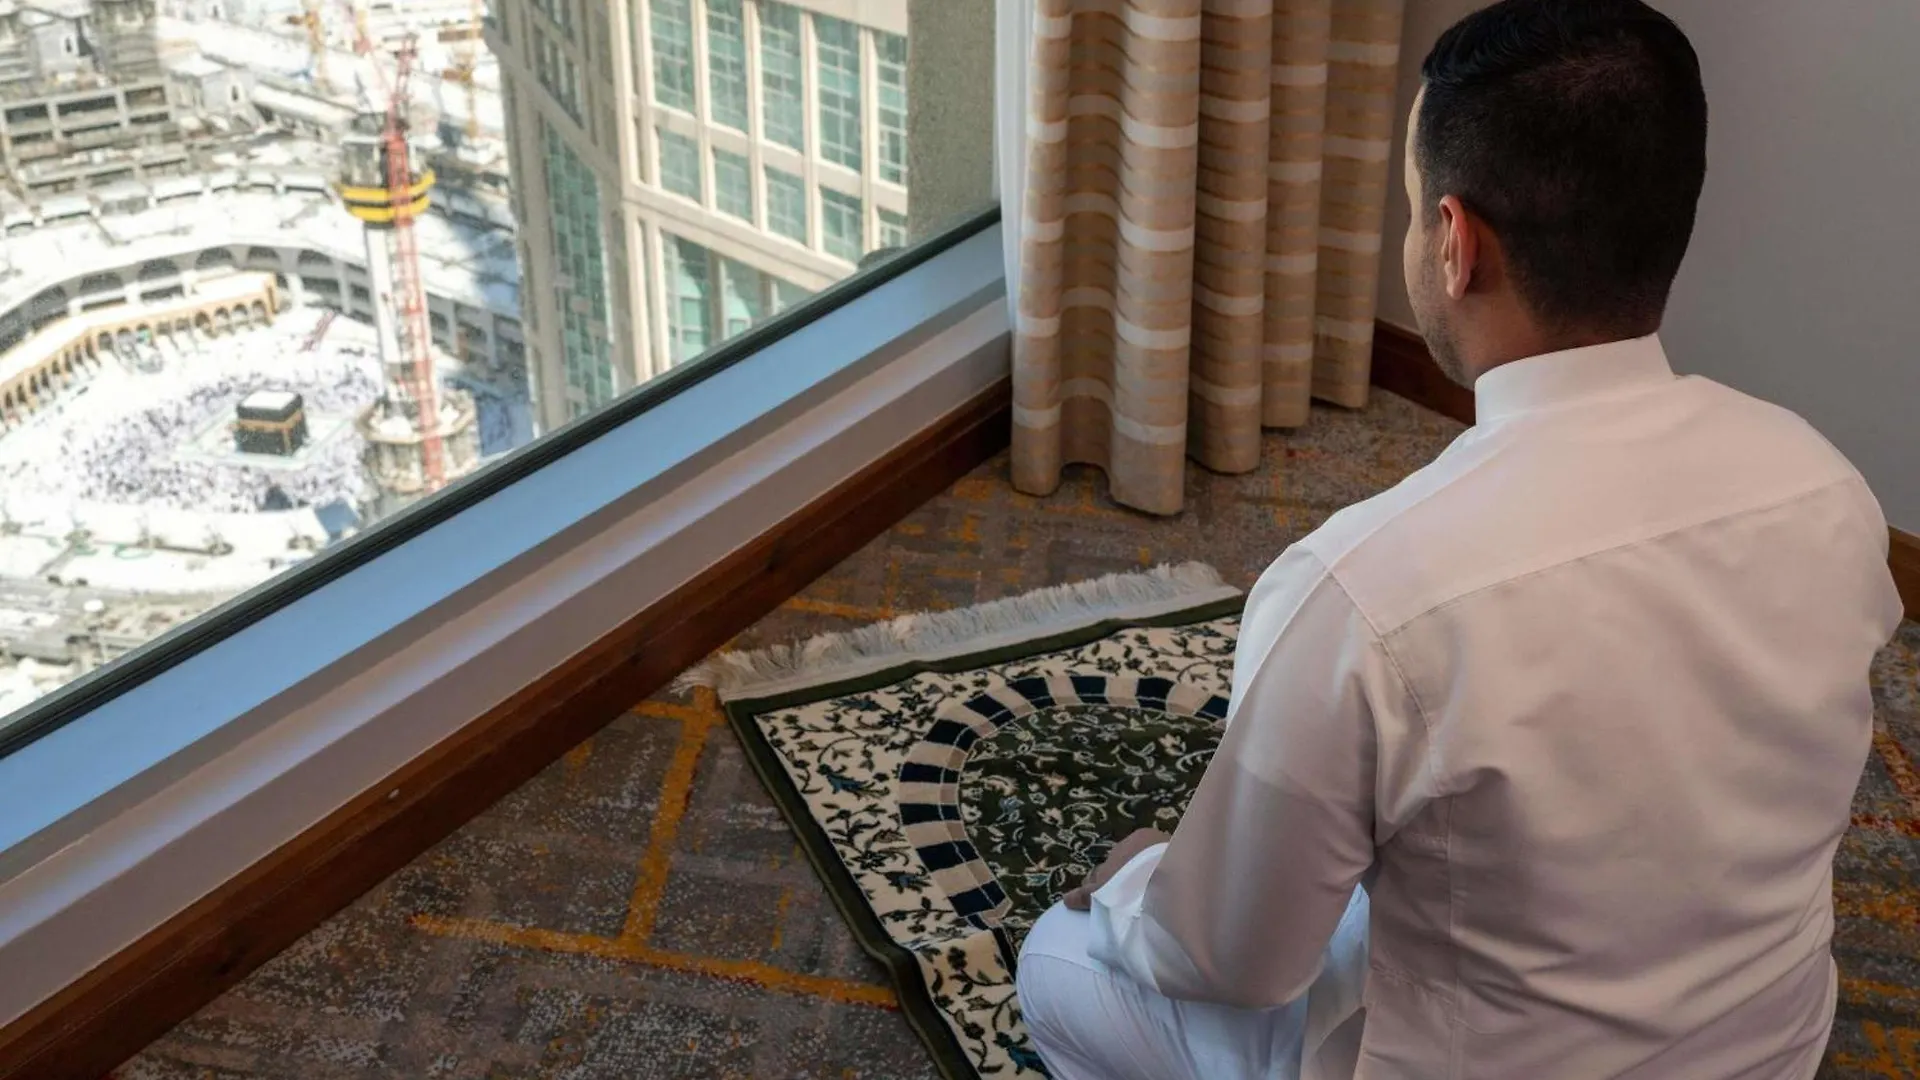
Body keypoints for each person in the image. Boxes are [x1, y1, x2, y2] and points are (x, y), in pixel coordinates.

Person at [1014, 1, 1906, 1077]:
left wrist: (1136, 887)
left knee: (1058, 959)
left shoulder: (1363, 596)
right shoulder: (1826, 488)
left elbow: (1228, 963)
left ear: (1454, 241)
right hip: (1769, 1050)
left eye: (1409, 210)